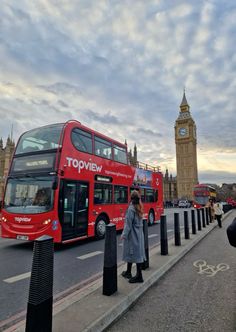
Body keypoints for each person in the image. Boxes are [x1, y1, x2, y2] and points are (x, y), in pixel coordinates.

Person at [121, 190, 146, 283]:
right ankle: (128, 272)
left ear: (131, 198)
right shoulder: (139, 207)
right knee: (133, 253)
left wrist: (124, 235)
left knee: (134, 253)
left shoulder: (131, 209)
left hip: (133, 236)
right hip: (139, 235)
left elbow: (128, 225)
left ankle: (139, 276)